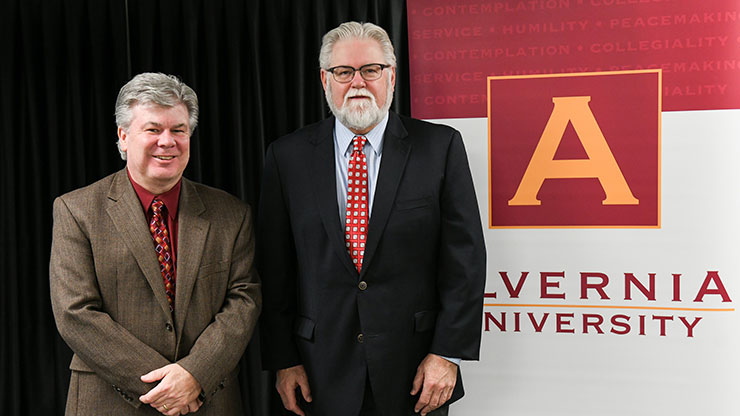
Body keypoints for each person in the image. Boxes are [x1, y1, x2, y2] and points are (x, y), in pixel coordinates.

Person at [258, 22, 486, 416]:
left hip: (415, 373)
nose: (358, 82)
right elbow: (274, 268)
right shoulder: (286, 157)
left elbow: (464, 263)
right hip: (317, 374)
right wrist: (283, 358)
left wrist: (448, 353)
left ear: (392, 76)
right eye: (344, 72)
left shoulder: (440, 147)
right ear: (324, 80)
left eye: (371, 70)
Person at [50, 72, 261, 415]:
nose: (168, 141)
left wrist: (195, 374)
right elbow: (75, 314)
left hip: (207, 400)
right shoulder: (77, 210)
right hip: (109, 402)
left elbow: (244, 300)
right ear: (123, 136)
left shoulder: (231, 214)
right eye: (153, 129)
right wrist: (167, 388)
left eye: (178, 130)